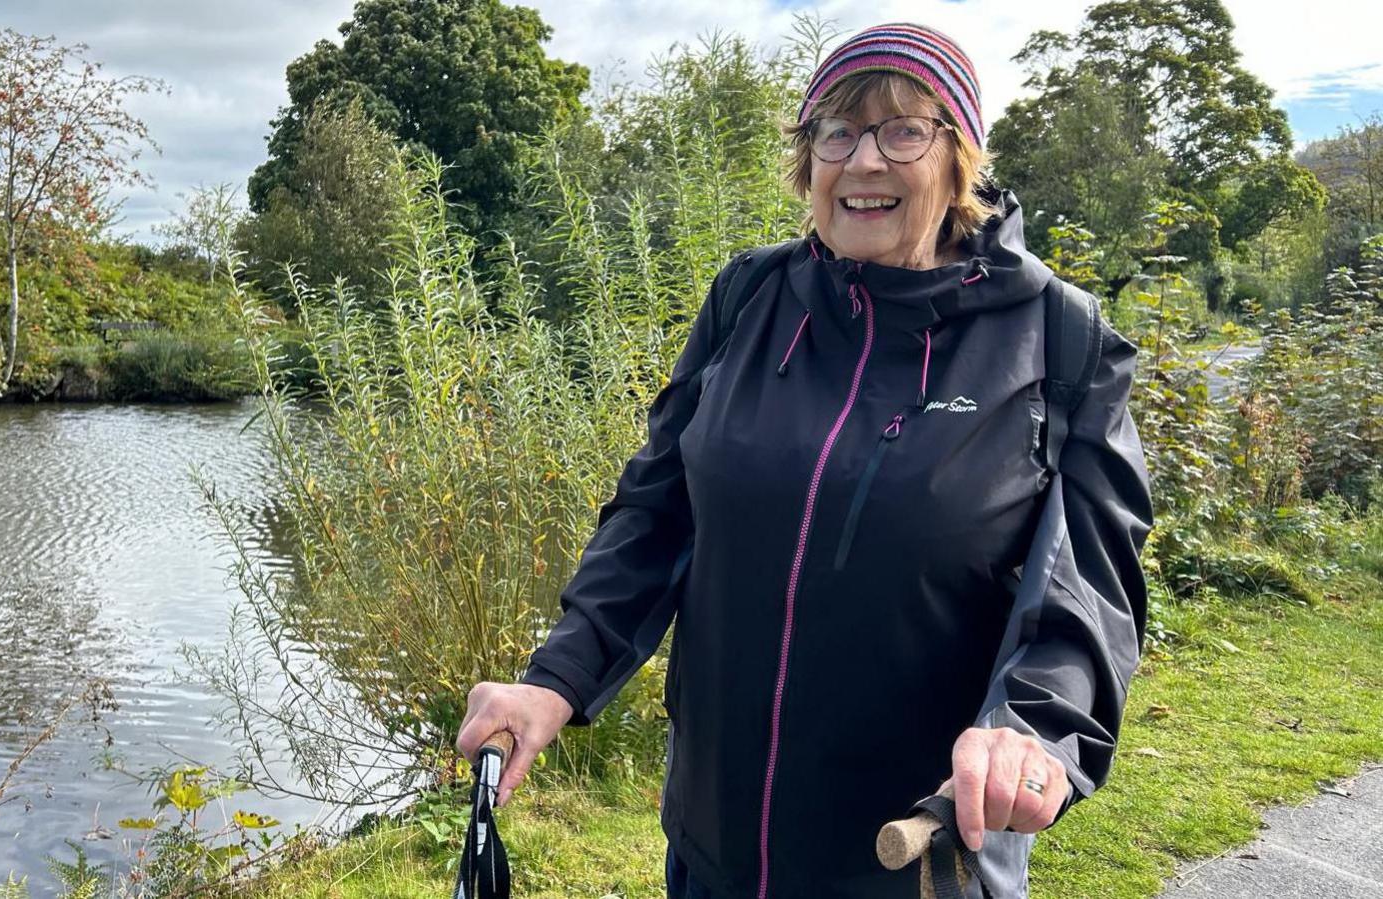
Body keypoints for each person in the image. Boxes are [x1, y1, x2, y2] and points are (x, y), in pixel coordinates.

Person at [456, 22, 1153, 899]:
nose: (863, 160)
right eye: (836, 131)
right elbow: (657, 516)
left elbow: (1086, 593)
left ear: (959, 158)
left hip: (914, 858)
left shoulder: (1059, 338)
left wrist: (1032, 732)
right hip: (713, 849)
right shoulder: (748, 297)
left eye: (903, 130)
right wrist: (554, 680)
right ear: (808, 159)